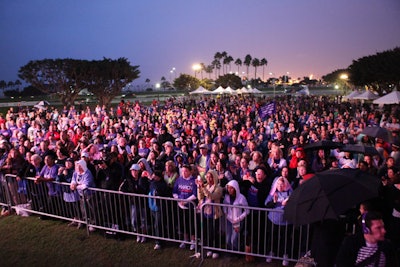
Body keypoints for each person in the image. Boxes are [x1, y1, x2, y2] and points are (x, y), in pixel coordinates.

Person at [265, 176, 293, 266]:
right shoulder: (273, 193)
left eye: (282, 184)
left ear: (285, 184)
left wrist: (287, 204)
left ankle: (285, 255)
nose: (280, 186)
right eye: (278, 184)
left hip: (286, 221)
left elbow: (294, 205)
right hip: (273, 220)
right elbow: (266, 204)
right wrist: (274, 202)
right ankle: (271, 252)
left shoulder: (289, 192)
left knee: (285, 239)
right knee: (273, 237)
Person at [197, 170, 223, 259]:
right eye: (207, 177)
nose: (208, 178)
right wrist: (199, 188)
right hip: (205, 212)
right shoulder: (206, 186)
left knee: (214, 232)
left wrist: (203, 188)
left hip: (214, 213)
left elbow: (211, 196)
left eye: (210, 177)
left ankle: (216, 250)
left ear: (214, 177)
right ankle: (209, 248)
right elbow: (200, 197)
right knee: (207, 232)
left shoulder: (218, 188)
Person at [172, 164, 197, 250]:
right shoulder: (179, 180)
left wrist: (186, 201)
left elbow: (195, 194)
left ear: (190, 171)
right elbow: (174, 192)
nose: (184, 173)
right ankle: (185, 239)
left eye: (186, 171)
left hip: (190, 206)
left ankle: (193, 241)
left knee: (191, 224)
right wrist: (179, 200)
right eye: (182, 171)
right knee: (183, 224)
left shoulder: (194, 181)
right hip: (180, 206)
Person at [70, 159, 96, 231]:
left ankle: (93, 224)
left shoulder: (88, 173)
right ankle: (86, 222)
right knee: (84, 209)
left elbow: (86, 185)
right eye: (77, 166)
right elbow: (73, 179)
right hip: (81, 195)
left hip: (90, 194)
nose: (78, 168)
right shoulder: (76, 173)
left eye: (80, 166)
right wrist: (73, 184)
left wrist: (76, 186)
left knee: (92, 209)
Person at [223, 179, 249, 252]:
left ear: (235, 188)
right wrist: (226, 214)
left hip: (238, 221)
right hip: (229, 220)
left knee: (234, 239)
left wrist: (239, 219)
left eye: (231, 188)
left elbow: (247, 210)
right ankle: (230, 251)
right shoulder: (227, 196)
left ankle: (236, 252)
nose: (229, 190)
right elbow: (224, 206)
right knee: (228, 239)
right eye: (228, 188)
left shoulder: (241, 198)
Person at [148, 170, 171, 250]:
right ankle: (159, 240)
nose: (153, 177)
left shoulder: (163, 185)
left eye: (155, 176)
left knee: (158, 224)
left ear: (159, 177)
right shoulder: (152, 183)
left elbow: (163, 193)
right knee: (156, 224)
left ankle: (159, 242)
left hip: (160, 207)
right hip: (153, 207)